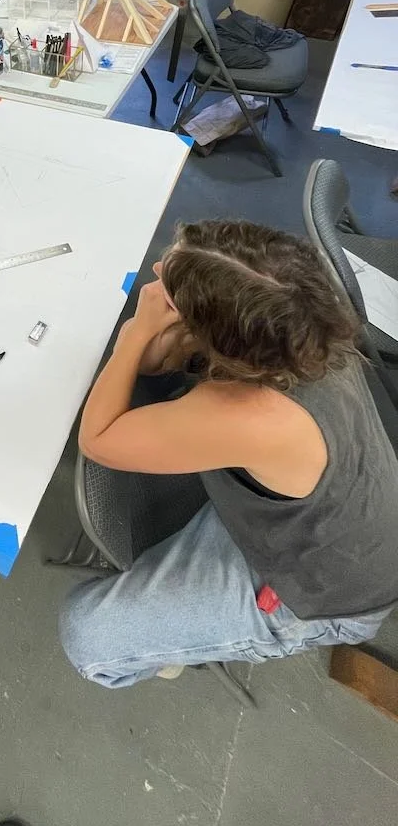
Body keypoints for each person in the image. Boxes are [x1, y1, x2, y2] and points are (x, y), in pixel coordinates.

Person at [60, 219, 398, 689]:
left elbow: (99, 439)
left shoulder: (253, 413)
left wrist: (137, 333)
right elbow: (172, 363)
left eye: (170, 290)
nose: (156, 270)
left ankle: (186, 647)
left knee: (85, 634)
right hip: (350, 516)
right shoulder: (304, 319)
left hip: (327, 590)